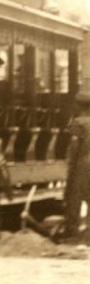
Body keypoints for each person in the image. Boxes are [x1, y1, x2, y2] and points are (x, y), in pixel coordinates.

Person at [63, 92, 90, 236]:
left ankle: (71, 232)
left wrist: (70, 169)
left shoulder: (78, 123)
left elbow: (74, 149)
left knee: (74, 197)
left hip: (83, 165)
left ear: (78, 106)